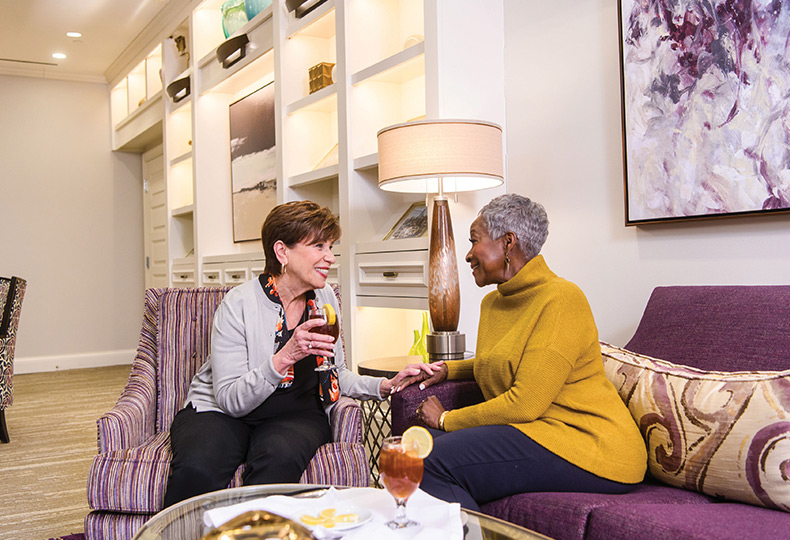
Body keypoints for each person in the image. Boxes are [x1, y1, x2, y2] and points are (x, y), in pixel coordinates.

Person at [164, 200, 433, 506]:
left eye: (330, 246)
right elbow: (230, 399)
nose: (330, 257)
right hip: (222, 411)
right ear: (282, 253)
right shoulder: (237, 304)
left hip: (294, 412)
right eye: (318, 246)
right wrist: (286, 355)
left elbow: (336, 374)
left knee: (277, 460)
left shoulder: (325, 297)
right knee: (198, 468)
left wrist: (383, 386)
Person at [395, 193, 647, 512]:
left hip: (591, 444)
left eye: (475, 241)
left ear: (508, 243)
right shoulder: (494, 302)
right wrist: (448, 369)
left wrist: (446, 418)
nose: (469, 254)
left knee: (423, 460)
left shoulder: (562, 300)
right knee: (413, 447)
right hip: (538, 433)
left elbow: (525, 403)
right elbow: (503, 361)